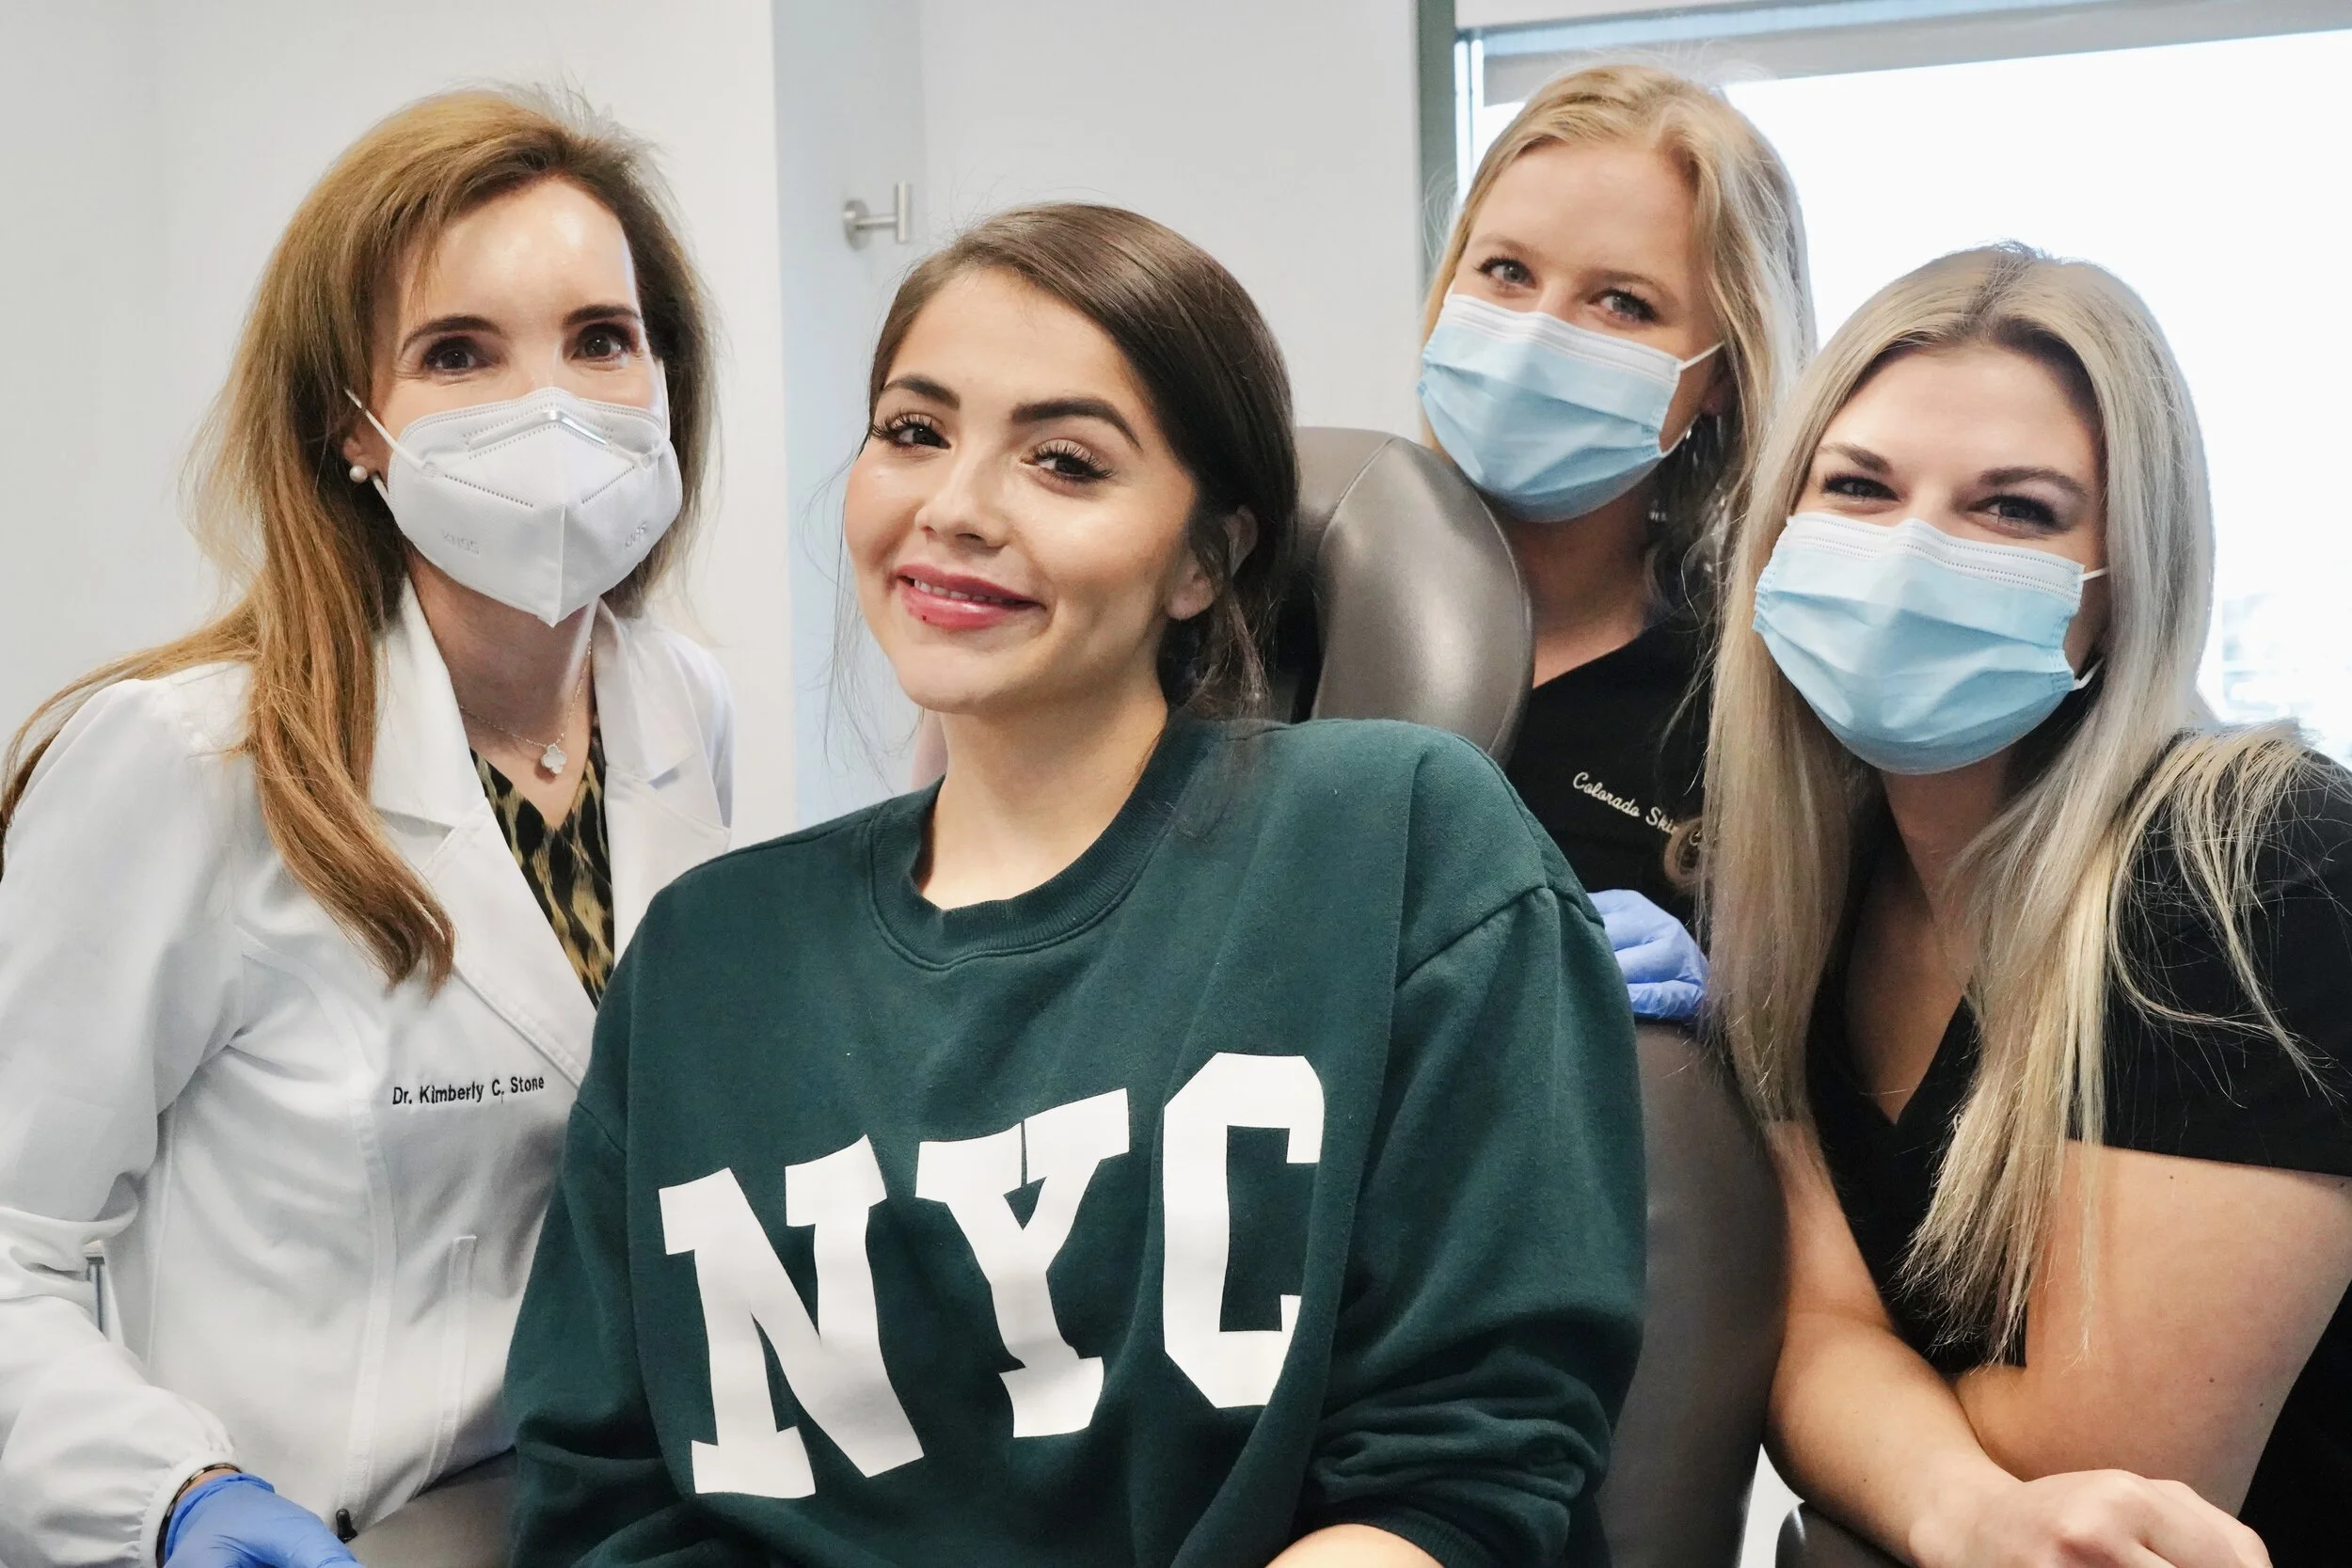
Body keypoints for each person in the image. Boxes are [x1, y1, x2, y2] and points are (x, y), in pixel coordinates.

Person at [504, 204, 1645, 1568]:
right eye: (913, 431)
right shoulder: (708, 956)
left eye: (1063, 460)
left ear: (1205, 558)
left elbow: (1469, 1466)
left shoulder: (1398, 846)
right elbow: (602, 1499)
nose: (954, 508)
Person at [0, 89, 735, 1565]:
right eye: (459, 352)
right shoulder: (189, 759)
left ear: (667, 379)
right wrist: (175, 1496)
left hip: (605, 1512)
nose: (553, 405)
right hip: (310, 1528)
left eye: (601, 339)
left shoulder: (680, 704)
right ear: (353, 422)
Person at [1704, 244, 2352, 1567]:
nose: (1908, 555)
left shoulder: (2255, 861)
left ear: (2122, 586)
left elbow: (2105, 1477)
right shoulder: (1804, 898)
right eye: (1858, 487)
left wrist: (1873, 1405)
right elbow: (1811, 1338)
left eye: (2014, 509)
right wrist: (1951, 1483)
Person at [1416, 62, 1814, 1020]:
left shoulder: (1749, 707)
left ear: (1721, 375)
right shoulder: (1293, 606)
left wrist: (1726, 1024)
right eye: (1506, 271)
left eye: (1622, 302)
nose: (1533, 336)